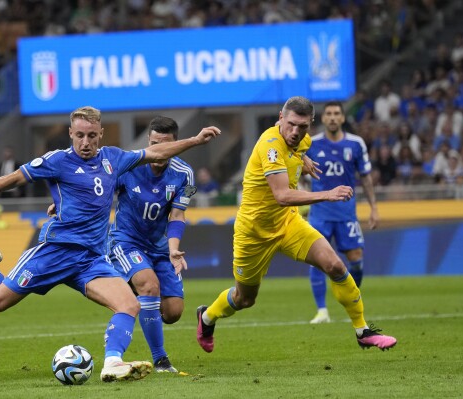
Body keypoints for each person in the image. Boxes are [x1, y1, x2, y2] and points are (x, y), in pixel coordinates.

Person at [0, 106, 220, 382]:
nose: (85, 143)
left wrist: (195, 141)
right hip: (54, 252)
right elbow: (12, 179)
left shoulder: (114, 159)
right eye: (79, 136)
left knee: (129, 305)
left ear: (100, 133)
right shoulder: (57, 161)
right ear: (70, 134)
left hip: (90, 260)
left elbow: (156, 153)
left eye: (91, 136)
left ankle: (112, 362)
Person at [195, 96, 396, 355]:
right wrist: (327, 193)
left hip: (288, 223)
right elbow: (282, 196)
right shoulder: (270, 145)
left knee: (335, 265)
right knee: (245, 299)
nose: (296, 132)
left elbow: (298, 151)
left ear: (310, 124)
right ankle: (207, 317)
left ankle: (363, 331)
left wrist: (304, 160)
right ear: (280, 117)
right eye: (291, 124)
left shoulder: (304, 141)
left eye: (303, 126)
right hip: (253, 233)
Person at [108, 116, 196, 374]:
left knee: (173, 312)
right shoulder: (128, 166)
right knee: (149, 285)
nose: (158, 151)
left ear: (175, 144)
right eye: (154, 144)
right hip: (126, 241)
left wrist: (173, 249)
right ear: (148, 141)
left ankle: (132, 289)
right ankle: (161, 360)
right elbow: (96, 192)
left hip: (160, 248)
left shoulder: (185, 174)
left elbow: (177, 216)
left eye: (165, 145)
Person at [304, 101, 379, 324]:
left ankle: (351, 303)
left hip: (347, 213)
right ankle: (322, 311)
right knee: (316, 260)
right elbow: (296, 168)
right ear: (323, 119)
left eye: (337, 113)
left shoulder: (356, 144)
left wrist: (374, 207)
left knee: (356, 260)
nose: (333, 117)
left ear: (343, 118)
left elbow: (365, 177)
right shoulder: (311, 144)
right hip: (320, 212)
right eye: (329, 114)